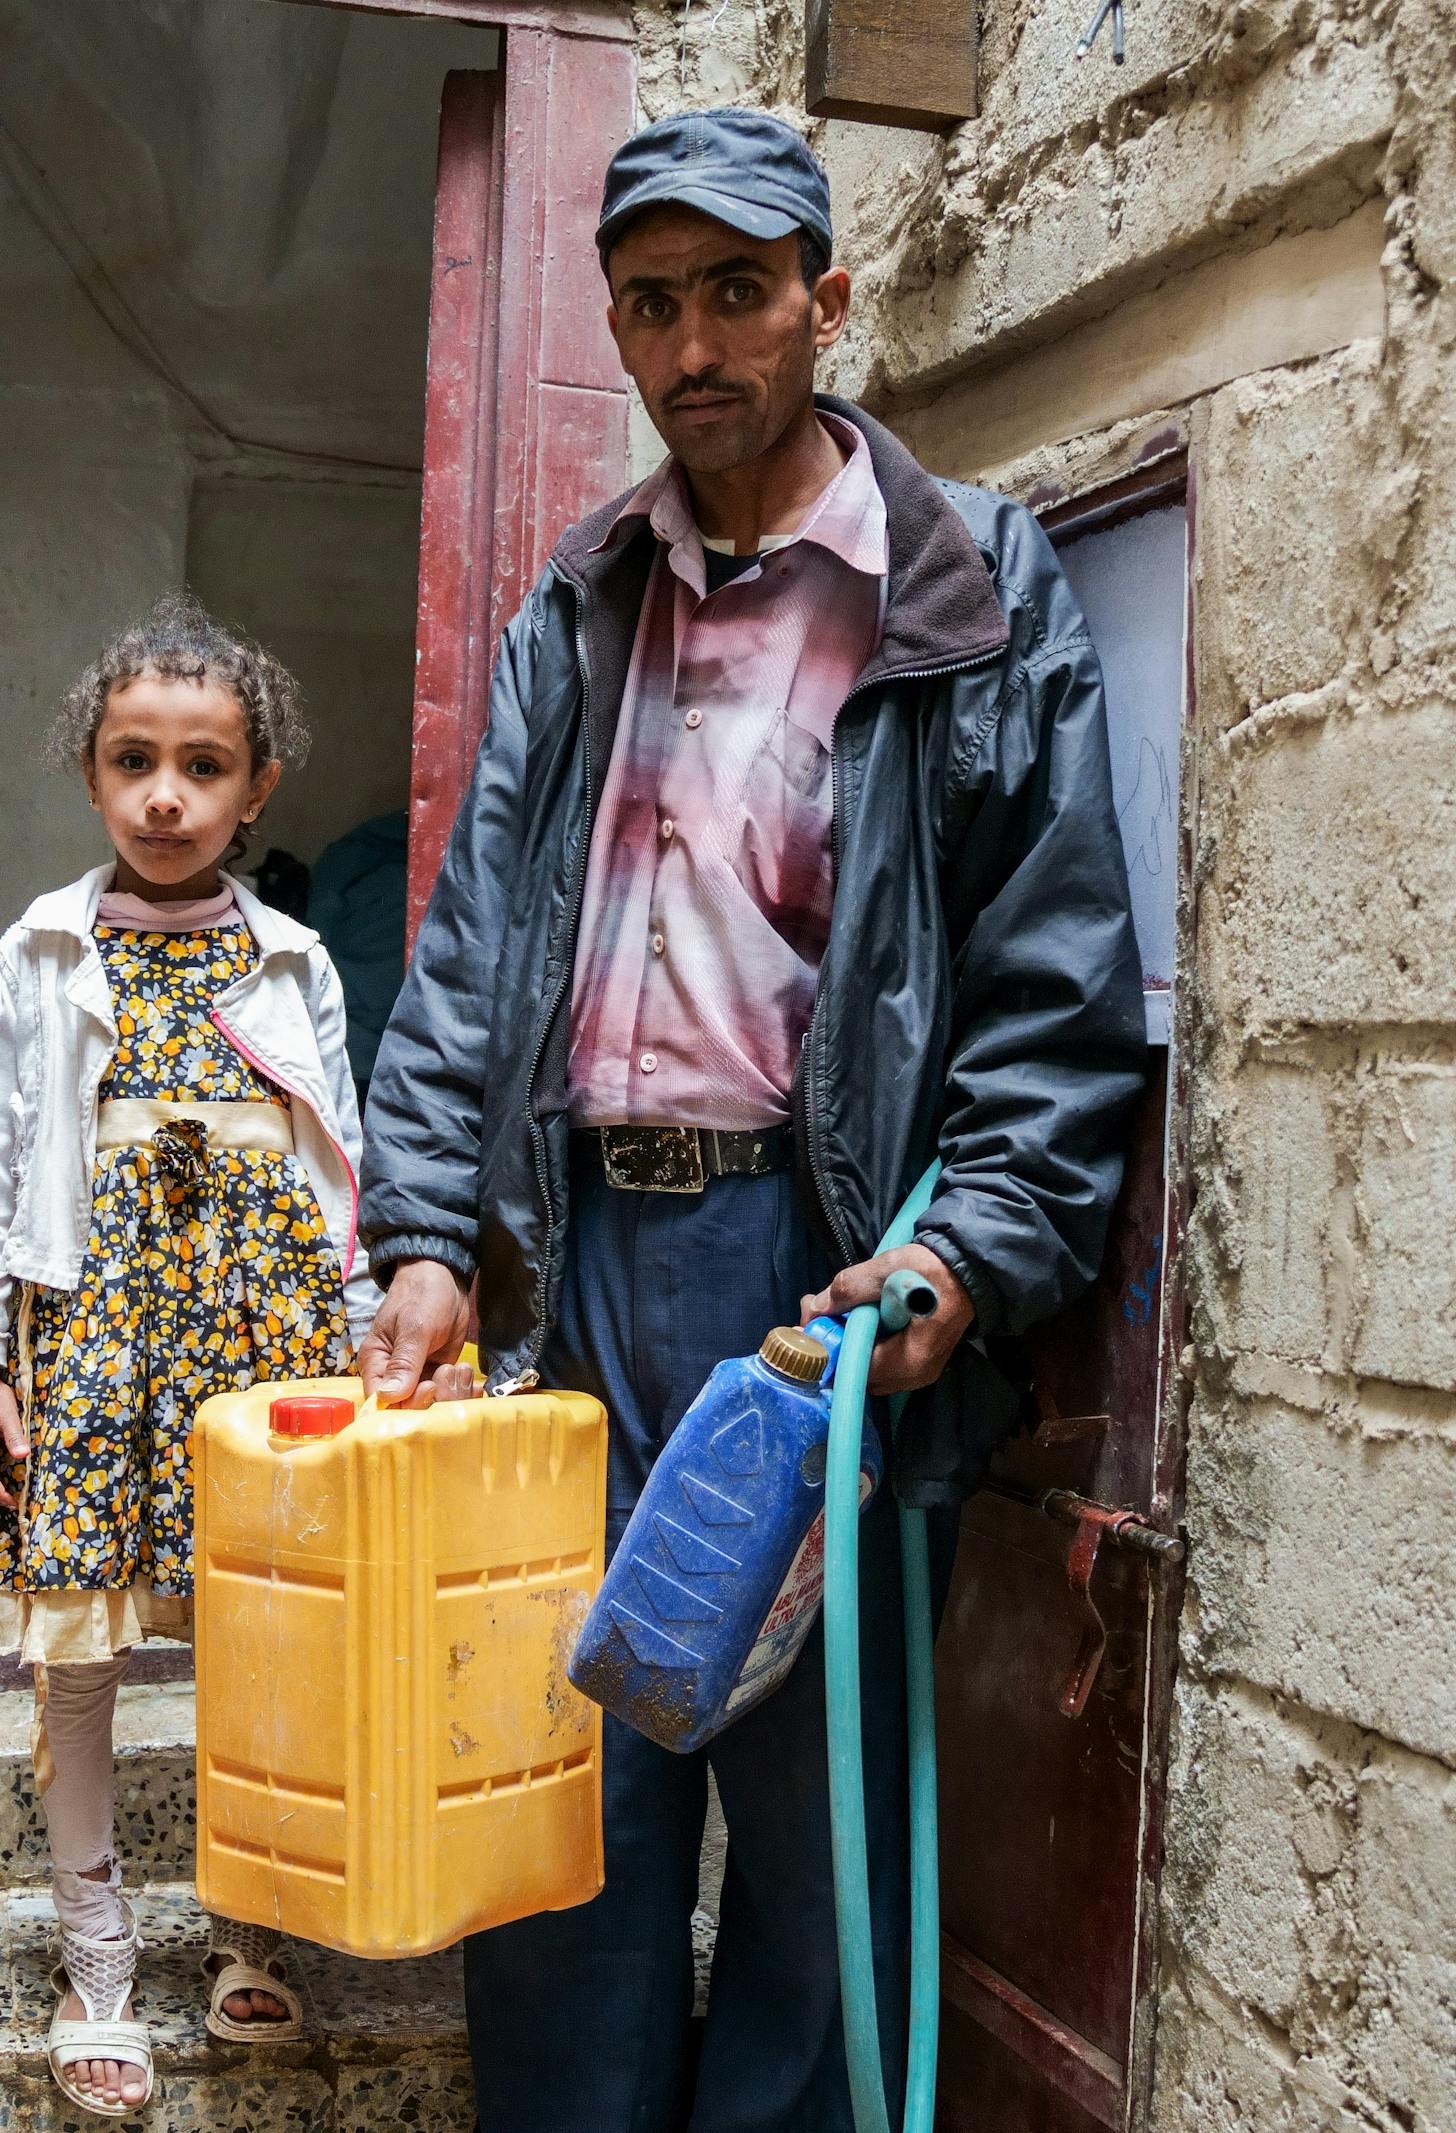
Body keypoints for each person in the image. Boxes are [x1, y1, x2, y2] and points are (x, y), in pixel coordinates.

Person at [352, 109, 1146, 2132]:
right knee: (567, 1813)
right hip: (576, 1273)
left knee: (818, 1865)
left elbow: (1057, 993)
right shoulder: (588, 595)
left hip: (823, 1280)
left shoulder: (968, 589)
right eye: (652, 303)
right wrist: (426, 1238)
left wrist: (970, 1250)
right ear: (617, 327)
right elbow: (471, 954)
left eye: (735, 293)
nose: (695, 343)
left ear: (825, 298)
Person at [0, 593, 381, 2119]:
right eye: (136, 760)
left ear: (259, 787)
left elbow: (344, 1162)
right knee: (82, 1647)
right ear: (92, 774)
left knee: (264, 1636)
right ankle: (96, 1943)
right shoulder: (41, 952)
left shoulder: (296, 961)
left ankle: (249, 1921)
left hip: (267, 1338)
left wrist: (369, 1314)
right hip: (99, 1333)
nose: (169, 794)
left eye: (206, 765)